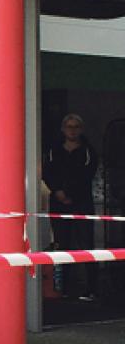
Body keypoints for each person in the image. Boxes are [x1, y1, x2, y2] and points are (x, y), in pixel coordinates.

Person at [42, 113, 99, 300]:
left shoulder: (88, 151)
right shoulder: (53, 149)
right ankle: (62, 288)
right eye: (69, 126)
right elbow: (47, 172)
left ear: (81, 129)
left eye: (76, 127)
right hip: (58, 205)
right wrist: (58, 191)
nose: (72, 130)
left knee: (86, 245)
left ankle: (91, 289)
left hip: (82, 204)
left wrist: (71, 195)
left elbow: (87, 175)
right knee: (62, 246)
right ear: (63, 129)